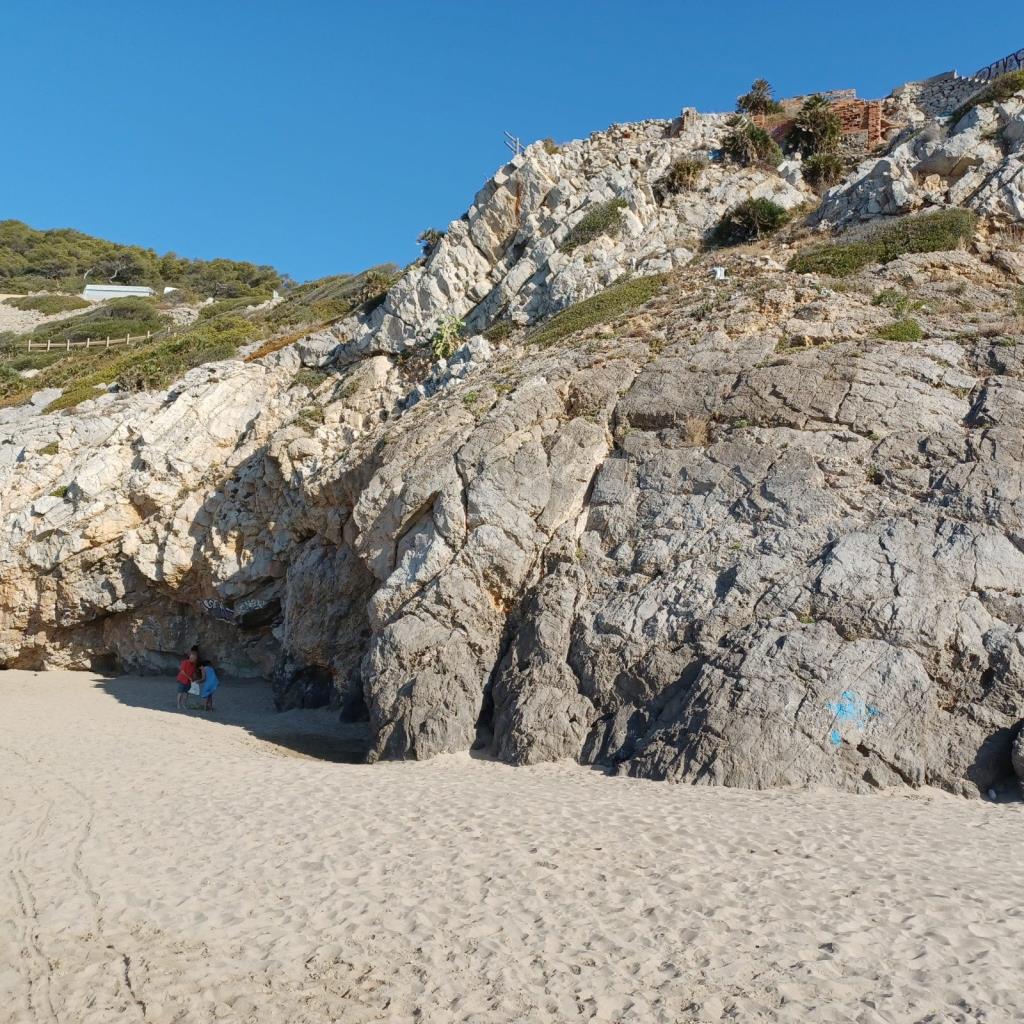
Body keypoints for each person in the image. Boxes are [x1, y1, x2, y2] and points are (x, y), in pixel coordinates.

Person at [175, 646, 199, 710]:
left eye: (195, 659)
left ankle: (184, 704)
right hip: (182, 680)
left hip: (188, 681)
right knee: (180, 692)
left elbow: (193, 673)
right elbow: (182, 671)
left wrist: (195, 678)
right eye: (194, 659)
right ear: (191, 658)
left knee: (186, 693)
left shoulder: (193, 664)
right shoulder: (185, 662)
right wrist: (189, 677)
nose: (194, 660)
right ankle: (178, 704)